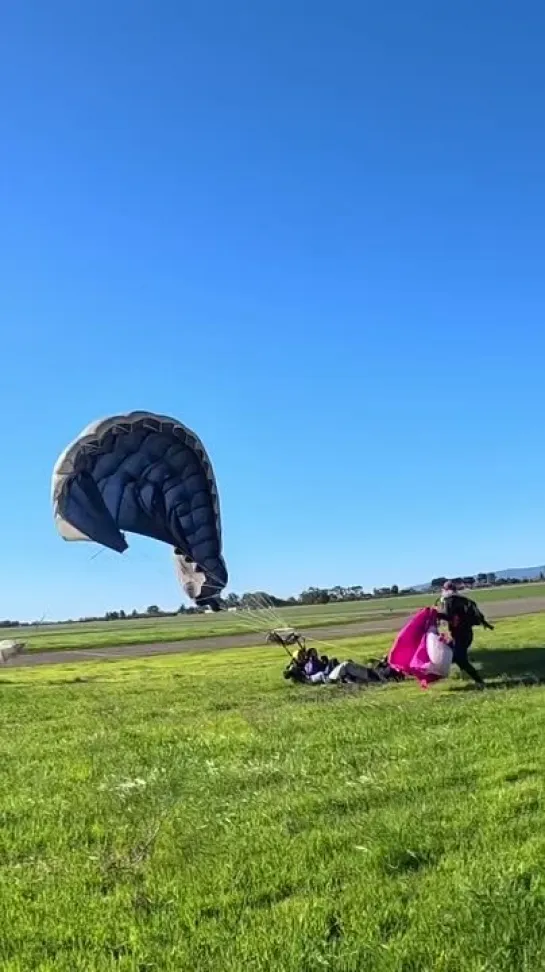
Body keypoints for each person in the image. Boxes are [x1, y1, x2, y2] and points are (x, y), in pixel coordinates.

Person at [435, 581, 494, 687]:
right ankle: (465, 675)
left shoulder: (449, 600)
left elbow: (449, 616)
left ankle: (479, 681)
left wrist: (436, 614)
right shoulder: (463, 600)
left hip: (459, 635)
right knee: (452, 656)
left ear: (445, 590)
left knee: (458, 658)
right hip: (467, 634)